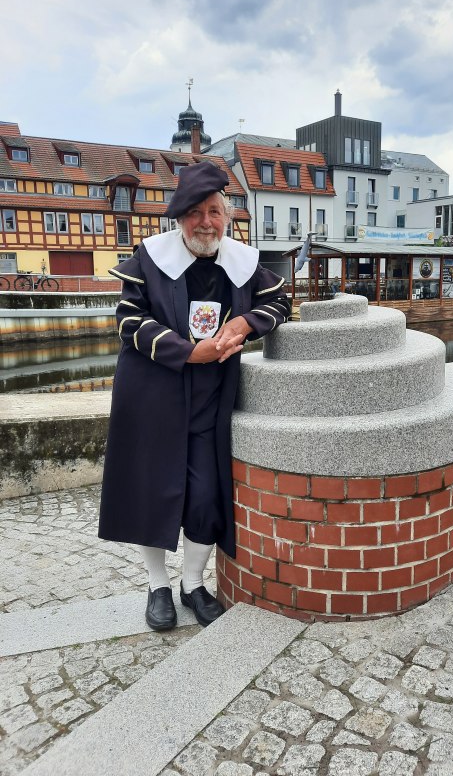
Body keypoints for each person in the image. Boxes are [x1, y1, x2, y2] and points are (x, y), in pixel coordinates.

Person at [98, 161, 290, 631]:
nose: (206, 222)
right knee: (153, 492)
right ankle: (158, 585)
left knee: (205, 494)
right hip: (153, 394)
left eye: (214, 212)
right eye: (195, 213)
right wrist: (190, 352)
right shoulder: (149, 258)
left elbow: (281, 301)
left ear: (226, 216)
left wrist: (247, 323)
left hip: (210, 399)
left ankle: (193, 583)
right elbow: (127, 321)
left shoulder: (243, 262)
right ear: (179, 217)